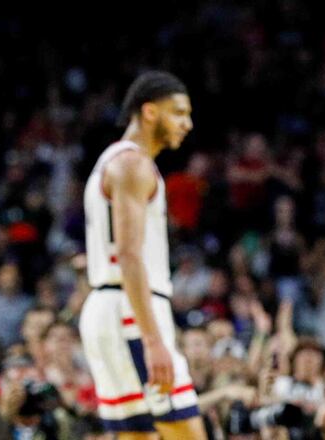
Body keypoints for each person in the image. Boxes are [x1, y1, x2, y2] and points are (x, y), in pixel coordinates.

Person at [79, 71, 207, 439]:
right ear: (149, 112)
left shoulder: (111, 161)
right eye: (179, 113)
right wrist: (153, 340)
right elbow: (129, 255)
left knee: (136, 433)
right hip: (131, 313)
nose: (188, 123)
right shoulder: (134, 164)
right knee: (185, 432)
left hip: (108, 309)